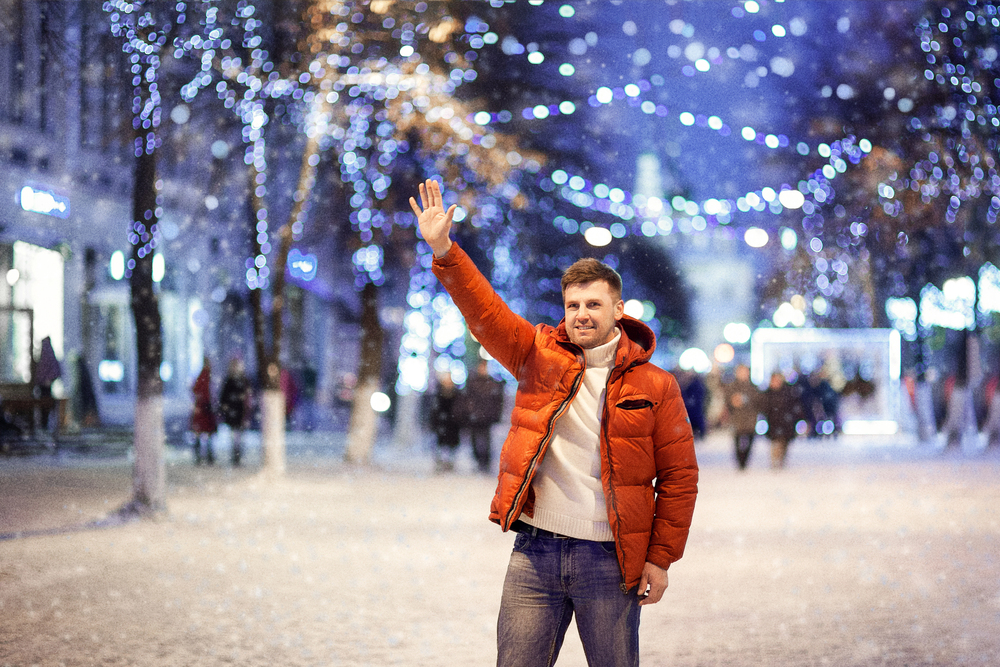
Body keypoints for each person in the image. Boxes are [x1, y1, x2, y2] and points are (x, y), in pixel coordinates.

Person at [410, 179, 698, 666]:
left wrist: (660, 558)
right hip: (535, 551)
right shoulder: (536, 354)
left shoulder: (656, 385)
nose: (581, 315)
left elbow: (678, 479)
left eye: (593, 305)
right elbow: (485, 312)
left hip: (610, 559)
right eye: (573, 305)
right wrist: (444, 250)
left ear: (618, 310)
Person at [461, 359, 506, 473]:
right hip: (475, 417)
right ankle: (478, 461)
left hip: (486, 417)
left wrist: (495, 414)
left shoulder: (492, 383)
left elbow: (496, 401)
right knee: (475, 439)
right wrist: (469, 412)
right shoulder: (473, 382)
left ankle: (485, 462)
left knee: (486, 440)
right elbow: (467, 399)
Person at [759, 371, 802, 469]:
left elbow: (795, 405)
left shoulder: (788, 392)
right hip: (773, 422)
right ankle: (775, 461)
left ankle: (781, 459)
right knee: (775, 442)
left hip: (786, 422)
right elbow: (764, 406)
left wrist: (795, 417)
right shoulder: (768, 393)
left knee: (784, 442)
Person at [724, 364, 759, 470]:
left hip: (750, 418)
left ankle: (745, 461)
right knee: (737, 440)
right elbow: (727, 400)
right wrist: (733, 401)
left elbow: (757, 400)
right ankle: (740, 462)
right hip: (737, 418)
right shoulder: (732, 386)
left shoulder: (752, 386)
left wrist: (745, 400)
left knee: (749, 439)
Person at [218, 357, 251, 466]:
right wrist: (225, 406)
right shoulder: (229, 380)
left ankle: (239, 455)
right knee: (234, 436)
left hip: (241, 412)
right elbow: (224, 395)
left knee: (240, 436)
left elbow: (248, 394)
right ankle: (235, 456)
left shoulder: (243, 380)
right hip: (233, 412)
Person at [429, 370, 463, 472]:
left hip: (453, 423)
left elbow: (459, 407)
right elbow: (434, 409)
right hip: (441, 422)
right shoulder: (438, 392)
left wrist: (458, 418)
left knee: (452, 444)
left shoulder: (456, 393)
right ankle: (439, 462)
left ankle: (450, 463)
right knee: (439, 443)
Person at [190, 356, 217, 465]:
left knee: (201, 433)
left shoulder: (205, 376)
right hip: (205, 408)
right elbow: (199, 390)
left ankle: (201, 456)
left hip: (204, 408)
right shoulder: (206, 376)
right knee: (205, 433)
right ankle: (205, 456)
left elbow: (196, 390)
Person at [34, 336, 62, 431]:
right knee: (44, 406)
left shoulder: (47, 353)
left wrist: (47, 380)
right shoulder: (47, 353)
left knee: (45, 405)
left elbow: (50, 369)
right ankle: (44, 424)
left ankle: (44, 425)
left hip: (45, 386)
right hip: (44, 386)